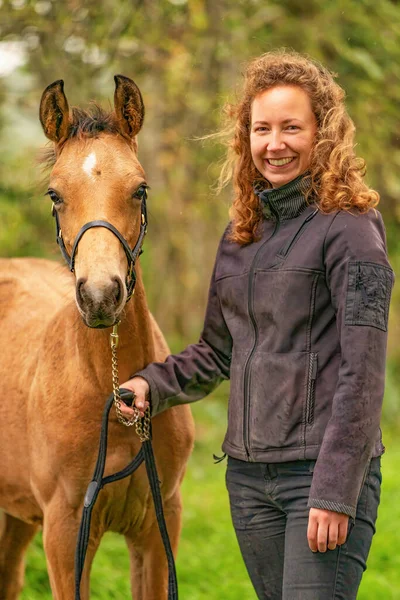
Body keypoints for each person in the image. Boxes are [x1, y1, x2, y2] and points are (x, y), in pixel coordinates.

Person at [120, 50, 394, 599]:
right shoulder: (242, 233)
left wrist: (336, 493)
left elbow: (363, 376)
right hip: (248, 480)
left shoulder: (354, 231)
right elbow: (217, 352)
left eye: (292, 127)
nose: (275, 144)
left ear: (324, 134)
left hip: (318, 478)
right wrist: (153, 382)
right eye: (261, 129)